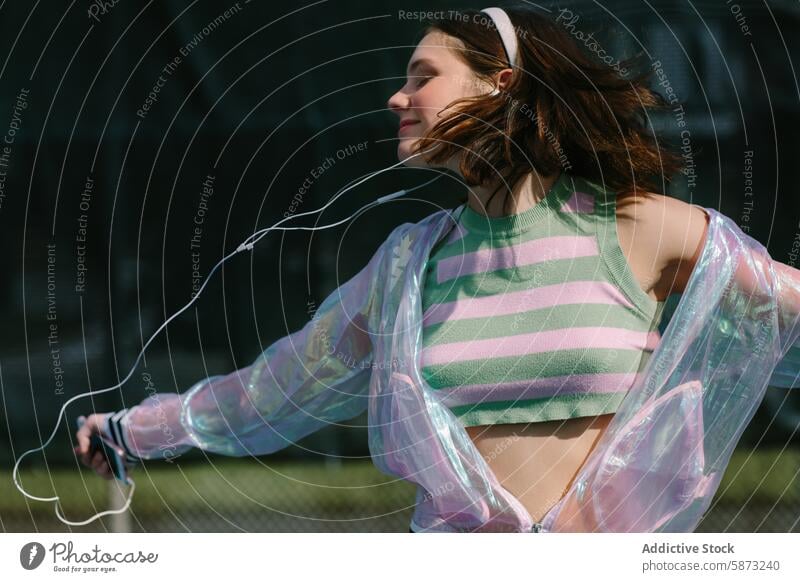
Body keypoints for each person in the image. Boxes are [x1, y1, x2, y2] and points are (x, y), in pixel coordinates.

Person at [75, 6, 746, 532]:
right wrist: (132, 431)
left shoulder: (634, 226)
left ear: (499, 84)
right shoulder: (408, 267)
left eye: (423, 76)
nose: (398, 98)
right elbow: (269, 392)